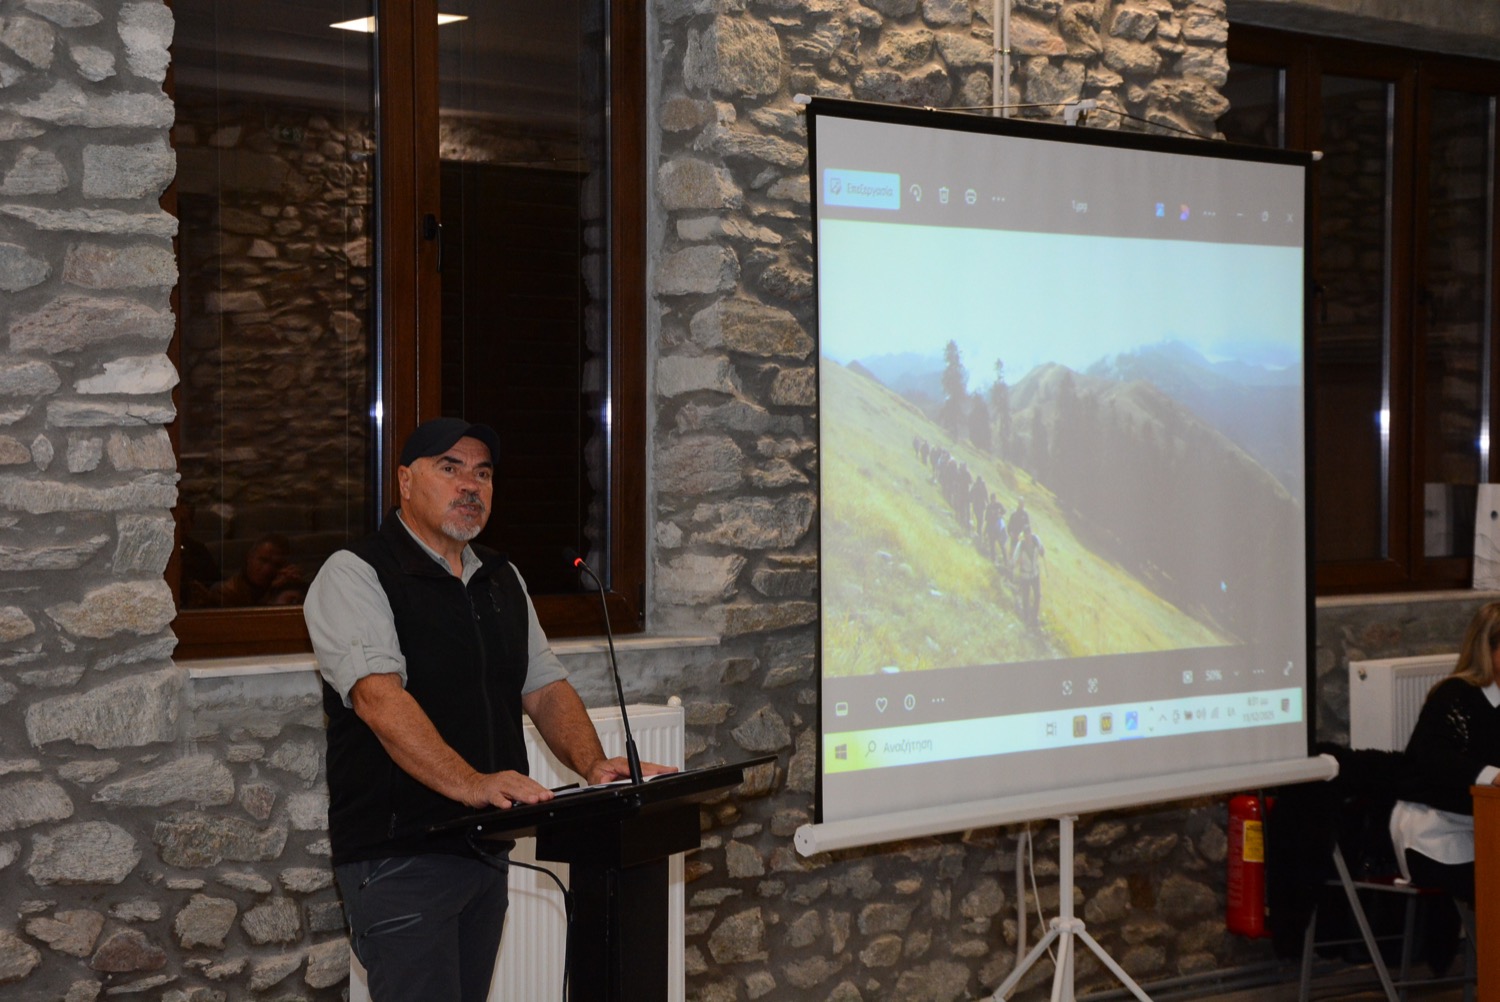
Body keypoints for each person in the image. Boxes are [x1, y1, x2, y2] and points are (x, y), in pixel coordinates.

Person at [304, 417, 673, 1002]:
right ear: (405, 481)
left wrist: (593, 764)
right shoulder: (357, 572)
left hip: (484, 847)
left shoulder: (500, 578)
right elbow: (379, 700)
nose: (469, 486)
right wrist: (472, 782)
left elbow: (544, 688)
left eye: (483, 473)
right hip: (400, 855)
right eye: (449, 468)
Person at [1389, 601, 1500, 905]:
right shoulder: (1453, 695)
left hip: (1488, 828)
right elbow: (1432, 758)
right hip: (1437, 833)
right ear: (1487, 649)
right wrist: (1492, 776)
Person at [207, 532, 304, 606]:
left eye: (276, 565)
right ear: (249, 557)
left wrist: (295, 585)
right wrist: (270, 594)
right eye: (263, 560)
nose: (267, 570)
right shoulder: (226, 592)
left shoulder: (281, 585)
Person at [1014, 530, 1044, 627]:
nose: (1028, 538)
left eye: (1029, 535)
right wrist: (1016, 563)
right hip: (1025, 575)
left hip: (1035, 574)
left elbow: (1041, 549)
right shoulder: (1020, 545)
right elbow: (1015, 558)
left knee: (1038, 595)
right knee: (1025, 597)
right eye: (1026, 536)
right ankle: (1026, 617)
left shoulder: (1036, 540)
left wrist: (1042, 551)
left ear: (1030, 534)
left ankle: (1034, 617)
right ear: (1024, 536)